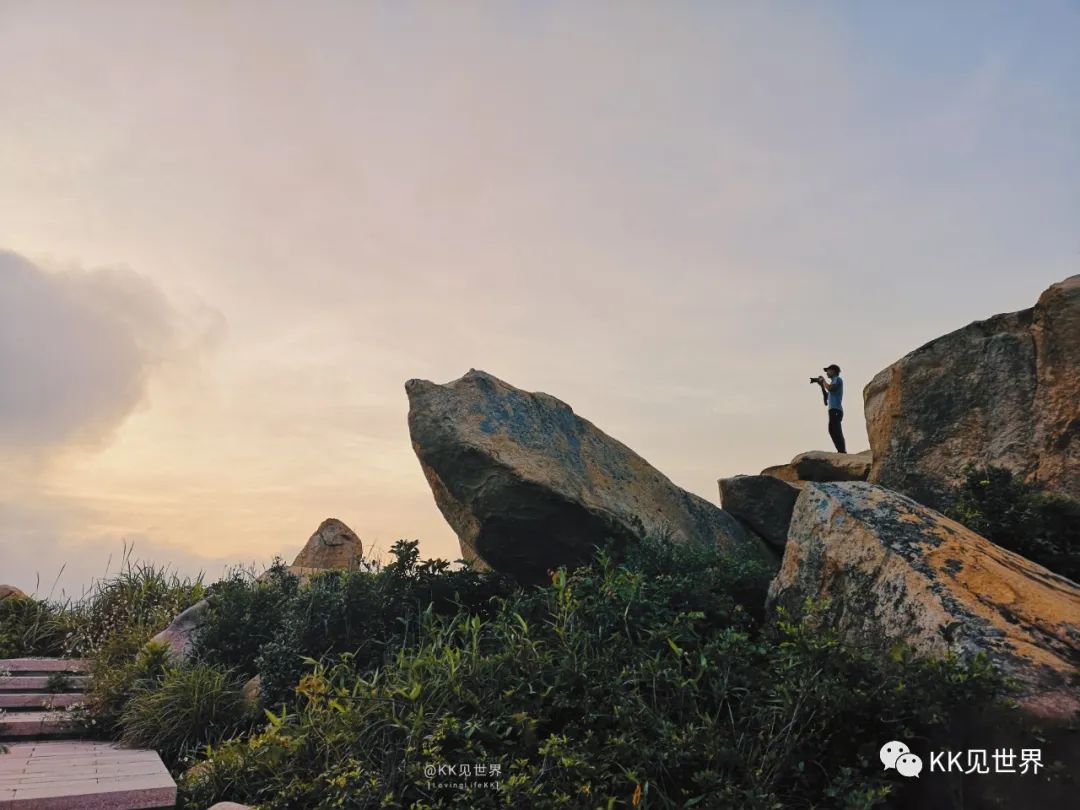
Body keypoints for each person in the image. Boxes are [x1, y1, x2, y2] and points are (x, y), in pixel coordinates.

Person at [815, 364, 846, 453]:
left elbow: (831, 388)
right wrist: (821, 385)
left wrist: (824, 381)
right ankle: (840, 450)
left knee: (836, 429)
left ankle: (842, 451)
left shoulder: (837, 379)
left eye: (828, 371)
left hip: (836, 410)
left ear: (833, 371)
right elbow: (826, 398)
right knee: (832, 430)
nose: (827, 373)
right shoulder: (833, 382)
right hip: (833, 410)